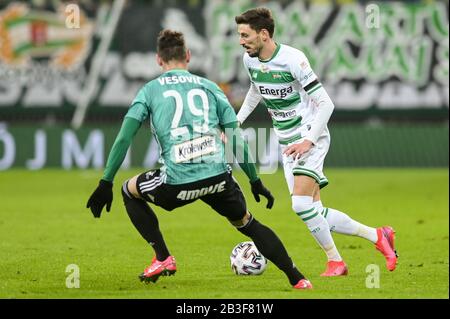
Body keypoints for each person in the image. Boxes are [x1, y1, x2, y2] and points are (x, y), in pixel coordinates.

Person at [86, 29, 313, 289]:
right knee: (248, 223)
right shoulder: (210, 87)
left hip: (177, 182)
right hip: (218, 177)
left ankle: (163, 257)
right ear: (188, 56)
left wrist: (106, 182)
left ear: (159, 59)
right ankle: (298, 278)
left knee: (128, 190)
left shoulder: (149, 91)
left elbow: (124, 138)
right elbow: (236, 138)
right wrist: (255, 181)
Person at [234, 8, 398, 276]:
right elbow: (255, 91)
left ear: (263, 34)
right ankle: (378, 235)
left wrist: (309, 140)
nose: (241, 40)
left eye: (245, 35)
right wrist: (237, 121)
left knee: (300, 204)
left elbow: (326, 103)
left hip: (310, 135)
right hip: (287, 141)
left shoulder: (293, 59)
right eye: (239, 35)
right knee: (313, 210)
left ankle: (336, 261)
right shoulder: (249, 60)